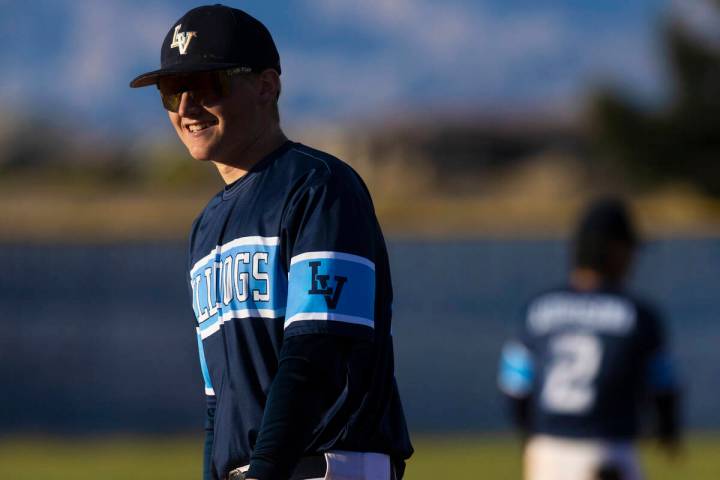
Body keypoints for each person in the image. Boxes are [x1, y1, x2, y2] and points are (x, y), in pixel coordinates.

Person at [130, 5, 413, 480]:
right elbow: (218, 400)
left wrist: (264, 471)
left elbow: (315, 352)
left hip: (325, 467)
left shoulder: (319, 187)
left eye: (206, 86)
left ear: (266, 86)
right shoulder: (205, 226)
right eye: (171, 93)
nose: (185, 108)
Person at [497, 198, 682, 480]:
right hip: (607, 452)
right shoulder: (637, 314)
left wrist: (530, 434)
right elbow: (664, 384)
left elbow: (515, 384)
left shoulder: (537, 309)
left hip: (546, 452)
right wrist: (668, 431)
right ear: (615, 250)